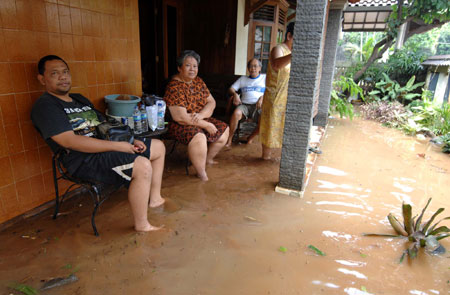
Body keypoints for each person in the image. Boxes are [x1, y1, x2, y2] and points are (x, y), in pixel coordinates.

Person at [31, 55, 165, 232]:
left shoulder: (79, 99)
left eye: (65, 72)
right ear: (42, 79)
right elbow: (69, 141)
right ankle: (142, 225)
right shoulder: (45, 106)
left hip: (105, 147)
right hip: (82, 159)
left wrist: (131, 140)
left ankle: (155, 199)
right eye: (55, 73)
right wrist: (119, 146)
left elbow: (105, 125)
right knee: (143, 166)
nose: (63, 77)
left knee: (158, 147)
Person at [164, 50, 229, 181]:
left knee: (224, 130)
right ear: (179, 68)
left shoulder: (198, 82)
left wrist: (201, 115)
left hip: (198, 118)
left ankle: (207, 159)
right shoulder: (174, 86)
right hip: (179, 124)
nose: (192, 69)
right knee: (199, 137)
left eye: (195, 66)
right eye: (188, 65)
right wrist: (205, 124)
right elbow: (180, 117)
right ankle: (201, 172)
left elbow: (211, 102)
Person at [259, 22, 294, 160]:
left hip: (286, 98)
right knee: (270, 128)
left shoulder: (291, 53)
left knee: (282, 129)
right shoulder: (278, 49)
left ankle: (278, 162)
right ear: (289, 35)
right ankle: (264, 159)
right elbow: (276, 64)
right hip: (275, 97)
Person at [225, 58, 266, 147]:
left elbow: (271, 91)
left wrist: (262, 98)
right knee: (236, 114)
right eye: (250, 66)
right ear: (248, 69)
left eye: (255, 66)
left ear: (260, 68)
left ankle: (250, 137)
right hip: (244, 105)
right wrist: (235, 94)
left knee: (265, 120)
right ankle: (229, 139)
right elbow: (231, 89)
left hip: (258, 106)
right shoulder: (243, 79)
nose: (253, 68)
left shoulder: (264, 78)